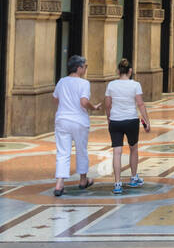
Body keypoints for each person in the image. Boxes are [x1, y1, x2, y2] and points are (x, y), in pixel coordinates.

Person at [53, 55, 101, 196]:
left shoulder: (62, 82)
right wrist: (94, 108)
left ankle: (59, 183)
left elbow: (55, 98)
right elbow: (84, 102)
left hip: (62, 119)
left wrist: (65, 106)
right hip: (79, 121)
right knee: (81, 150)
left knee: (63, 152)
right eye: (85, 67)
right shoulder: (83, 83)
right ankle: (83, 180)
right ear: (79, 68)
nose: (86, 69)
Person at [104, 57, 150, 194]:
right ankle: (133, 177)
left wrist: (109, 118)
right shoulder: (135, 85)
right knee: (133, 148)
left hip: (116, 120)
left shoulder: (111, 85)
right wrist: (147, 121)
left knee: (117, 152)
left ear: (118, 71)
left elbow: (107, 104)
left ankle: (117, 183)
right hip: (131, 120)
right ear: (130, 71)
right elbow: (140, 104)